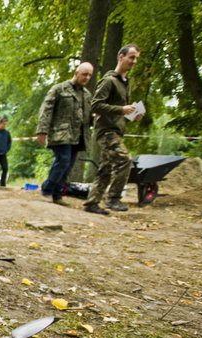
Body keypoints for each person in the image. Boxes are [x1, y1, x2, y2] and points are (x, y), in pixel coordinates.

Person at [83, 44, 144, 214]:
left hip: (116, 129)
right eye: (131, 57)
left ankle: (92, 203)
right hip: (106, 131)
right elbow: (95, 105)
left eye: (136, 58)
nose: (134, 61)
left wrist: (132, 114)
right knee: (124, 159)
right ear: (121, 56)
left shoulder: (125, 83)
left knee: (105, 169)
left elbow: (119, 110)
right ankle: (113, 199)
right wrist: (121, 109)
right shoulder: (109, 81)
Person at [37, 62, 94, 205]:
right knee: (63, 161)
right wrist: (42, 130)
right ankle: (47, 189)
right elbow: (46, 110)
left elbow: (88, 116)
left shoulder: (87, 95)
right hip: (60, 133)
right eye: (84, 74)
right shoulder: (59, 89)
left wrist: (95, 119)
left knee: (68, 166)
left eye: (90, 75)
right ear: (76, 73)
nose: (87, 77)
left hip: (78, 136)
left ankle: (57, 195)